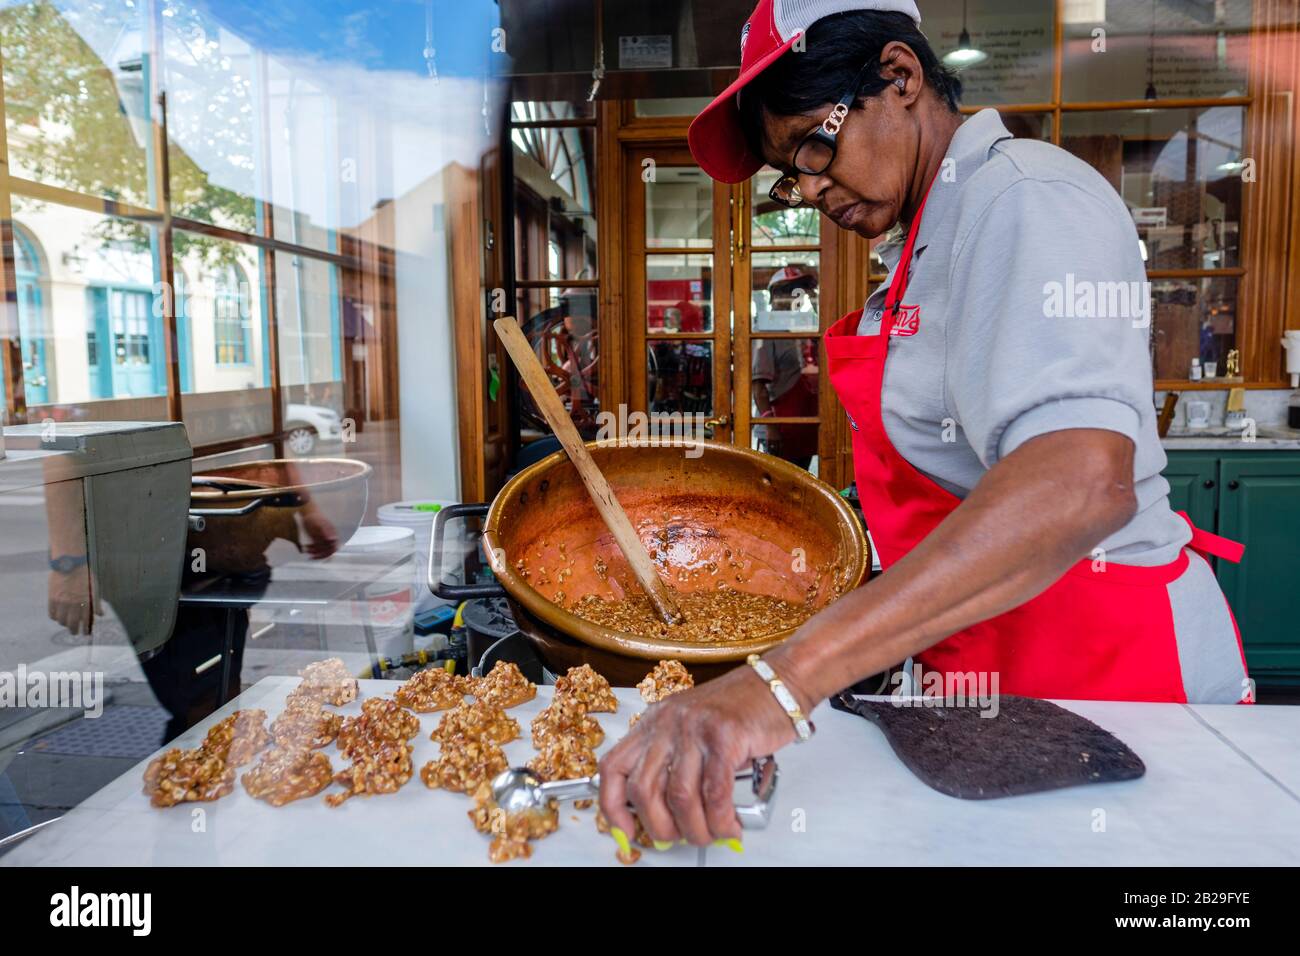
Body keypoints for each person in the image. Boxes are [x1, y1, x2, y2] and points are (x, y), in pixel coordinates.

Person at [597, 0, 1250, 849]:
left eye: (812, 146)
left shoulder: (1024, 200)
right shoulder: (925, 245)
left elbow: (1079, 480)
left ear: (899, 77)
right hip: (988, 669)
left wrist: (784, 681)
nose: (810, 187)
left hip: (1102, 668)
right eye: (788, 174)